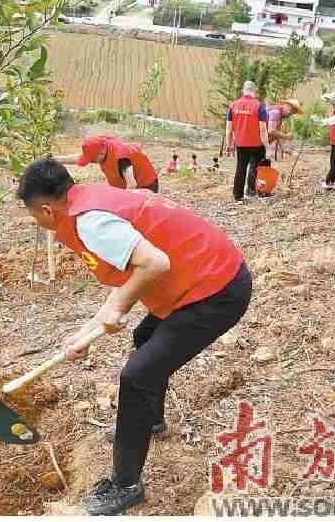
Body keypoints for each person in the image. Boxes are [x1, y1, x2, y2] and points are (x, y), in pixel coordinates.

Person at [15, 159, 251, 515]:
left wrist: (116, 306)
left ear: (46, 209)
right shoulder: (89, 199)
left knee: (137, 375)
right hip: (201, 277)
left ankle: (126, 485)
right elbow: (134, 276)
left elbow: (154, 263)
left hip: (216, 290)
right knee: (146, 337)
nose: (39, 222)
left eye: (35, 217)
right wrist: (85, 334)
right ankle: (150, 420)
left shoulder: (91, 222)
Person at [57, 135, 159, 193]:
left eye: (92, 159)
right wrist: (55, 160)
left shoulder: (121, 158)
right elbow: (78, 158)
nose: (91, 162)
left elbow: (132, 184)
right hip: (124, 185)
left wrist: (120, 202)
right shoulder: (101, 145)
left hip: (145, 185)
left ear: (101, 153)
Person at [225, 80, 270, 203]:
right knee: (256, 167)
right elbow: (263, 129)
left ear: (243, 91)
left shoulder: (233, 106)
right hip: (256, 144)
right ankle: (253, 191)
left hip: (240, 144)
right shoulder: (259, 106)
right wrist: (268, 147)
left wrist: (228, 145)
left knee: (241, 168)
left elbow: (229, 129)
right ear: (254, 91)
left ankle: (238, 196)